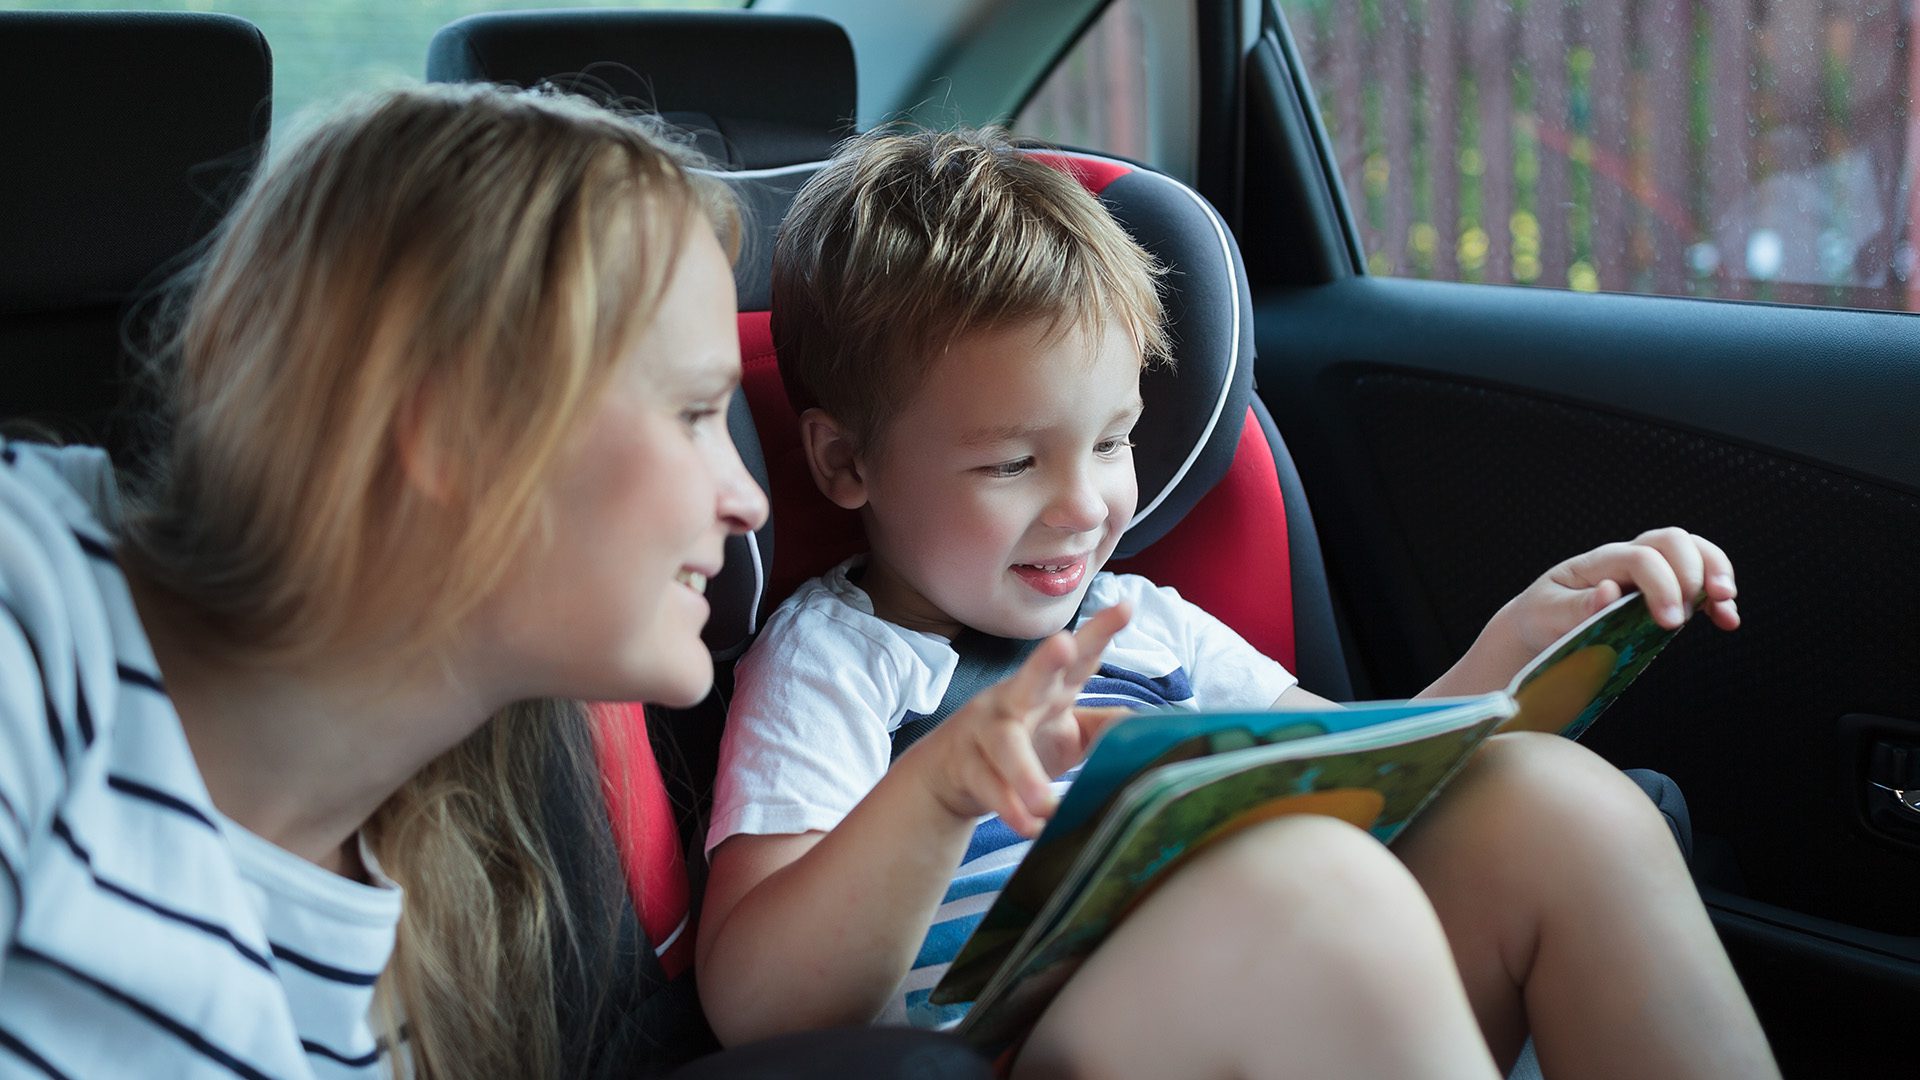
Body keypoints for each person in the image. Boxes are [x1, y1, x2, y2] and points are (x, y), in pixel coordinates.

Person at [696, 126, 1781, 1079]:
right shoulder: (835, 661)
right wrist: (939, 793)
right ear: (846, 463)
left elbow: (1365, 775)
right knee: (1305, 879)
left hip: (1283, 996)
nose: (1085, 505)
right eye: (1012, 463)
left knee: (1552, 798)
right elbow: (757, 1003)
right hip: (1035, 1046)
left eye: (1113, 442)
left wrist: (1518, 648)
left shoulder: (1150, 630)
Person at [0, 81, 987, 1080]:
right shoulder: (30, 594)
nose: (748, 502)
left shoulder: (405, 956)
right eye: (696, 414)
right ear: (453, 434)